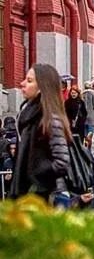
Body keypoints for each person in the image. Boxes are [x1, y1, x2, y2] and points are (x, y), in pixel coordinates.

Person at [9, 64, 72, 205]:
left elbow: (62, 161)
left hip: (50, 197)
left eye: (29, 81)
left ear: (42, 87)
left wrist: (38, 177)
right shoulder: (27, 115)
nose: (22, 84)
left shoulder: (50, 118)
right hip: (27, 194)